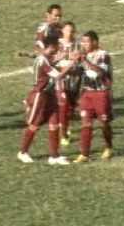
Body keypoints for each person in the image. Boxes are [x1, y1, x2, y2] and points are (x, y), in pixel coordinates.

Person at [18, 35, 79, 165]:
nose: (58, 49)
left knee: (54, 122)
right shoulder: (42, 60)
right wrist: (72, 62)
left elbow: (52, 67)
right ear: (51, 46)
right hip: (41, 95)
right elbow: (58, 77)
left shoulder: (45, 59)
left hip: (50, 94)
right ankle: (23, 152)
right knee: (35, 125)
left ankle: (54, 155)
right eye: (57, 47)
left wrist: (61, 60)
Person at [73, 31, 115, 163]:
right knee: (86, 122)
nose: (84, 44)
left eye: (86, 41)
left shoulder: (103, 55)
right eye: (82, 42)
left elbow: (101, 72)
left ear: (95, 42)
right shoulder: (83, 56)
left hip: (101, 93)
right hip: (87, 93)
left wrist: (84, 60)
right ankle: (84, 154)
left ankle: (109, 147)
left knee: (104, 122)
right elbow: (79, 73)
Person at [56, 21, 82, 147]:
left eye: (72, 31)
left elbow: (84, 60)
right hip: (60, 81)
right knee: (64, 106)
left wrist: (79, 60)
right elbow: (49, 57)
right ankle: (64, 135)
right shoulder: (57, 44)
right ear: (62, 31)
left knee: (70, 109)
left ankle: (65, 124)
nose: (70, 33)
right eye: (68, 30)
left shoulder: (78, 45)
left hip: (75, 81)